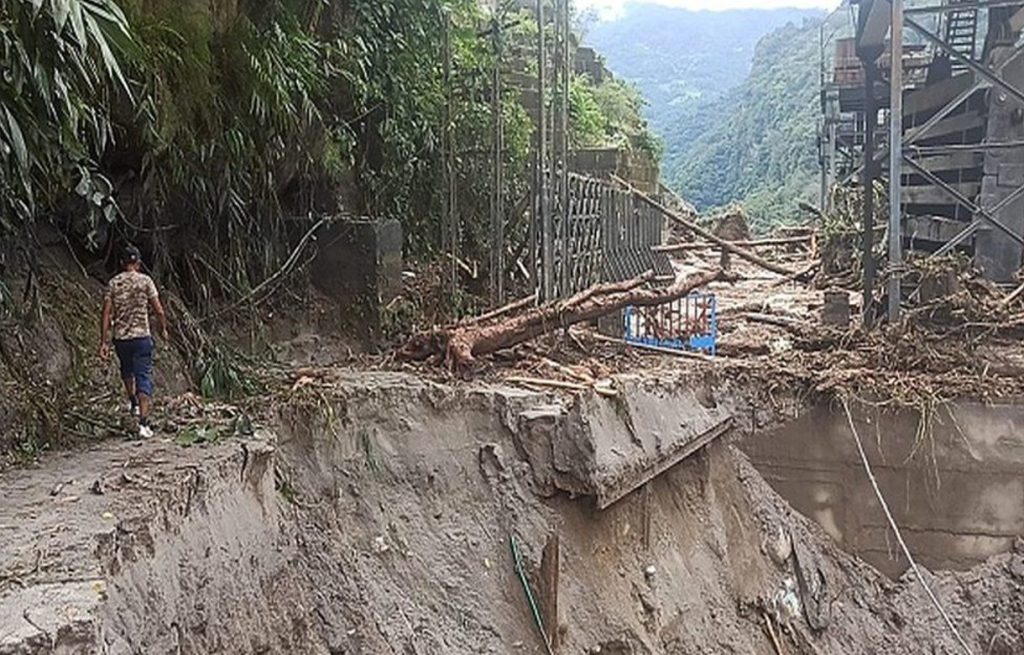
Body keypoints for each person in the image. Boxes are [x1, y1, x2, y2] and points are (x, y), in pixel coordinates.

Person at [99, 245, 169, 438]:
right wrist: (163, 328)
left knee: (127, 372)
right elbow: (159, 310)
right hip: (142, 337)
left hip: (121, 339)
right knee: (144, 377)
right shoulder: (146, 282)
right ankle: (144, 424)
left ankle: (134, 403)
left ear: (122, 263)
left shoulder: (113, 283)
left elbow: (106, 314)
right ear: (138, 263)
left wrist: (103, 342)